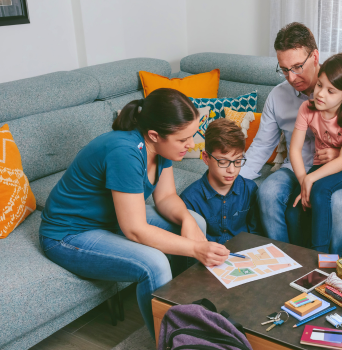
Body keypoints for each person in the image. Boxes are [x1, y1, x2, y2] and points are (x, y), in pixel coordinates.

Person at [39, 88, 230, 337]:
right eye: (183, 139)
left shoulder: (161, 149)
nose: (191, 145)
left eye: (191, 136)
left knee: (195, 221)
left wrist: (186, 220)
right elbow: (135, 229)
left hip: (110, 220)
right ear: (154, 135)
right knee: (154, 263)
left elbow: (166, 197)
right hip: (68, 234)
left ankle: (193, 311)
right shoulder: (125, 152)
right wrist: (195, 249)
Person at [239, 22, 342, 254]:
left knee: (338, 206)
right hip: (296, 168)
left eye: (297, 67)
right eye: (284, 69)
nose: (291, 77)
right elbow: (262, 146)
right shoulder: (278, 97)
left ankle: (327, 270)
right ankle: (285, 263)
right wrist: (229, 180)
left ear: (315, 56)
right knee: (268, 193)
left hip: (339, 168)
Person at [291, 53, 342, 253]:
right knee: (296, 206)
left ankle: (320, 259)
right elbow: (294, 149)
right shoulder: (307, 108)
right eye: (319, 85)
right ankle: (301, 256)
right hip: (322, 164)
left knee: (320, 190)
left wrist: (312, 180)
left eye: (330, 90)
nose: (320, 94)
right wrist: (303, 181)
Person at [180, 118, 260, 245]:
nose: (232, 170)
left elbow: (256, 234)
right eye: (223, 162)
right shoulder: (189, 199)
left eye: (238, 161)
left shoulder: (250, 190)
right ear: (206, 158)